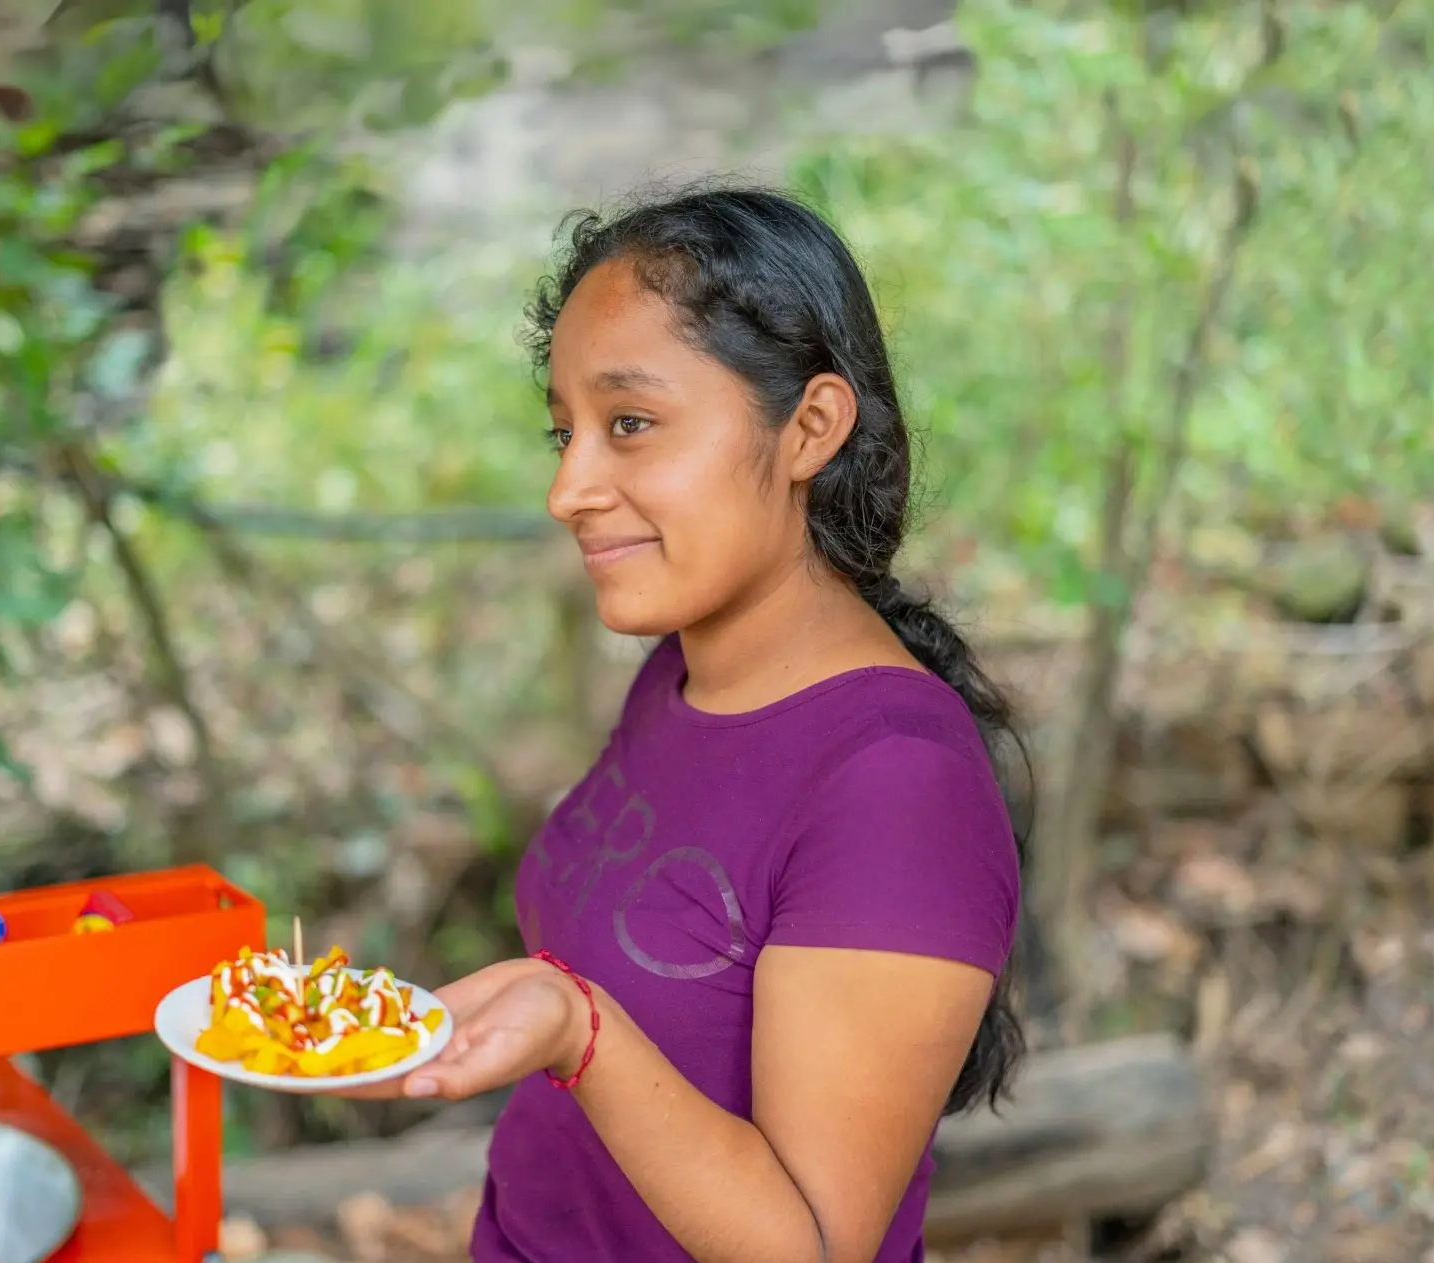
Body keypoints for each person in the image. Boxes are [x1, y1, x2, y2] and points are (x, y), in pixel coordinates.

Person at [357, 186, 1029, 1263]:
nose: (567, 489)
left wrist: (578, 1030)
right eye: (564, 432)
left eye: (628, 424)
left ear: (809, 428)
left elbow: (810, 1247)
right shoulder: (677, 673)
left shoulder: (899, 785)